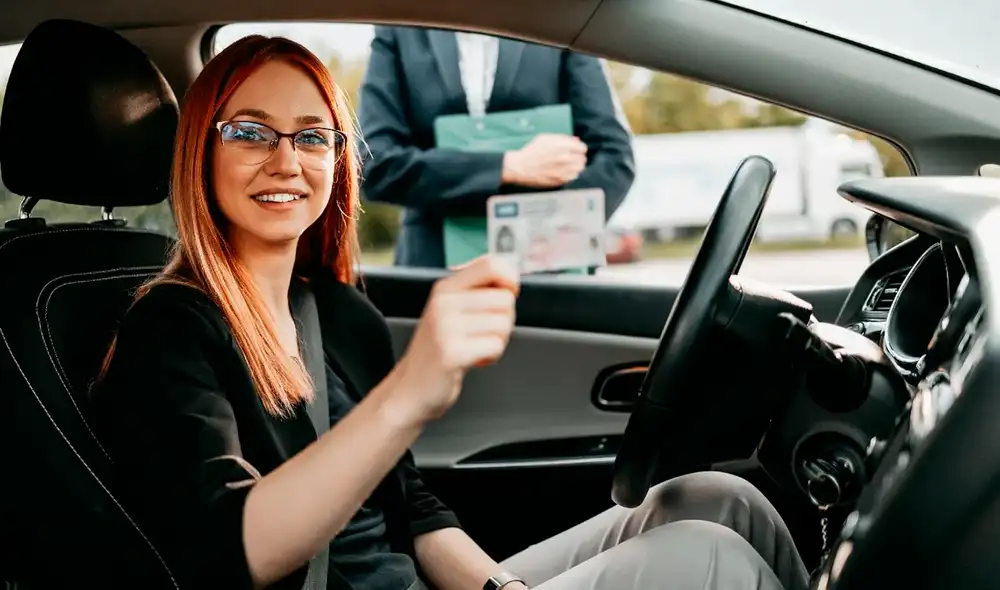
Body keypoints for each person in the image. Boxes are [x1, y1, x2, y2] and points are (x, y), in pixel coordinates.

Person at [91, 35, 809, 590]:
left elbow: (412, 509)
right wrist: (408, 395)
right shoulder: (170, 328)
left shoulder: (338, 313)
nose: (287, 160)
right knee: (707, 556)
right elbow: (225, 553)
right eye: (250, 132)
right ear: (200, 150)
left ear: (337, 159)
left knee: (717, 500)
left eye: (312, 136)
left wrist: (504, 587)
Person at [357, 26, 636, 268]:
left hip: (550, 270)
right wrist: (508, 167)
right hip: (432, 269)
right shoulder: (401, 27)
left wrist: (550, 232)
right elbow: (375, 164)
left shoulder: (561, 20)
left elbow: (614, 157)